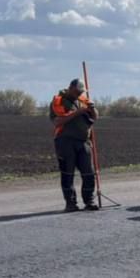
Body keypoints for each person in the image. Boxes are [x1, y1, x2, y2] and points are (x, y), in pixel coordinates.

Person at [49, 78, 99, 212]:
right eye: (77, 91)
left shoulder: (83, 100)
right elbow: (57, 122)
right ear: (70, 88)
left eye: (81, 92)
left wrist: (92, 109)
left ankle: (89, 201)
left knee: (89, 173)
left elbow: (94, 118)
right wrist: (78, 112)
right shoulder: (58, 101)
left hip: (83, 142)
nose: (79, 94)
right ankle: (70, 203)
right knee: (68, 173)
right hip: (65, 141)